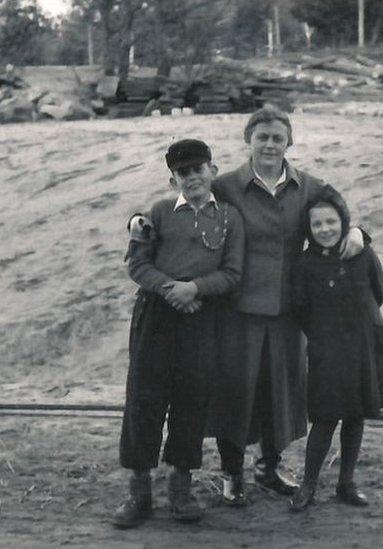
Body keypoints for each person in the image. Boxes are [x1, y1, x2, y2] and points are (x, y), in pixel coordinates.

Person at [209, 105, 366, 506]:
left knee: (281, 392)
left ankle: (268, 467)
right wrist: (139, 221)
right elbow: (186, 206)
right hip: (236, 308)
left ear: (289, 142)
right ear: (249, 140)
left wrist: (360, 234)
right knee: (236, 392)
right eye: (262, 137)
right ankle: (231, 473)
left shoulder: (309, 186)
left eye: (278, 138)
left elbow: (340, 215)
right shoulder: (225, 186)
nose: (270, 145)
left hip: (289, 309)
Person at [113, 139, 245, 529]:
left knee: (192, 398)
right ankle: (138, 492)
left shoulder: (230, 218)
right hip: (157, 313)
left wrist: (196, 289)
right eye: (183, 173)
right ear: (173, 181)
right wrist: (172, 289)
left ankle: (180, 488)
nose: (192, 178)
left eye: (198, 170)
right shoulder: (157, 213)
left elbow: (233, 274)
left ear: (213, 171)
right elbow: (136, 264)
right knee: (144, 398)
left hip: (201, 315)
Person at [289, 187, 383, 512]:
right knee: (325, 418)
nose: (325, 229)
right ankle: (308, 485)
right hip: (327, 349)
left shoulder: (362, 253)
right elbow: (299, 308)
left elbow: (379, 291)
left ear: (343, 222)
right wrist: (324, 334)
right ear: (309, 230)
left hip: (364, 344)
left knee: (357, 414)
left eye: (331, 222)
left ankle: (346, 482)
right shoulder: (305, 263)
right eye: (317, 225)